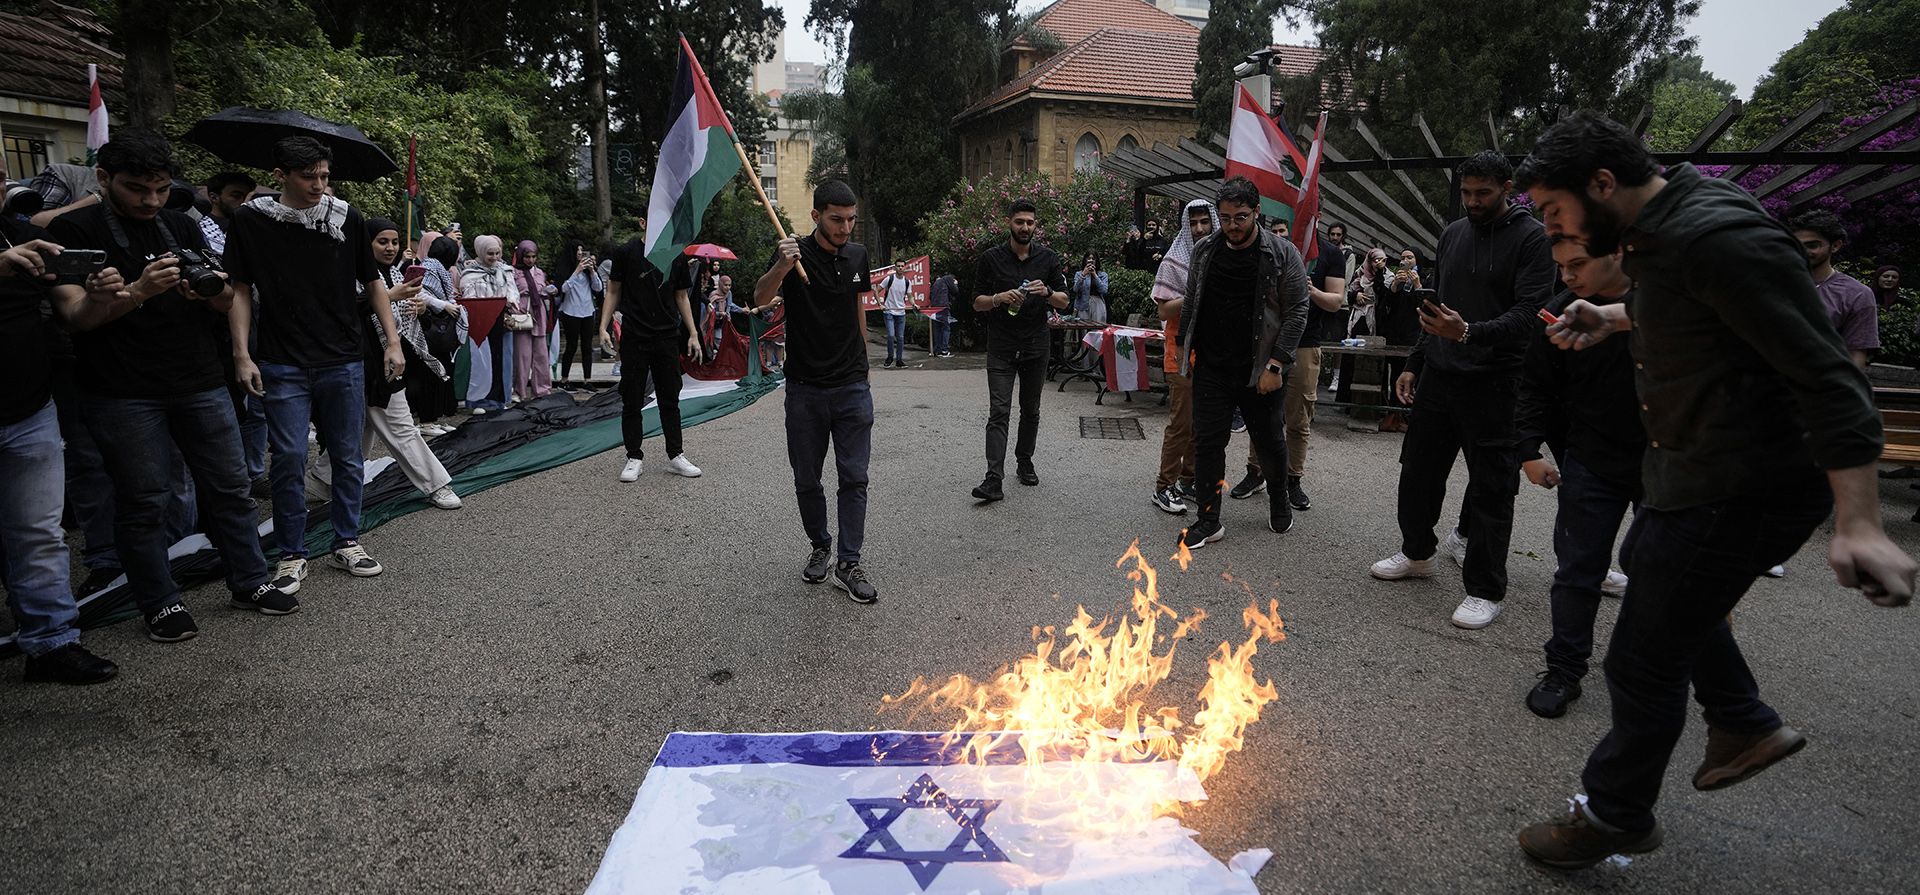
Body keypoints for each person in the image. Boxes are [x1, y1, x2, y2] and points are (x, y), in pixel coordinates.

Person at [1512, 110, 1916, 868]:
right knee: (1664, 588)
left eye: (1555, 214)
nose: (1552, 232)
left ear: (1603, 183)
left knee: (1640, 657)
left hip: (1740, 483)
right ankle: (1742, 717)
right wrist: (1612, 315)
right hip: (1693, 472)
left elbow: (1830, 378)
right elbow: (1692, 305)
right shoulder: (1662, 226)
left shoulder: (1719, 235)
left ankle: (1615, 813)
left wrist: (1860, 522)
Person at [47, 131, 296, 641]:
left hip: (198, 379)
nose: (151, 200)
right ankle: (159, 602)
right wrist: (137, 291)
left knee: (230, 489)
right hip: (121, 390)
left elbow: (228, 300)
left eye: (160, 189)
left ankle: (249, 580)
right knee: (144, 500)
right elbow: (73, 316)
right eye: (138, 189)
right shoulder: (75, 228)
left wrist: (205, 291)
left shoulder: (180, 222)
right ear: (102, 178)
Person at [1369, 150, 1554, 631]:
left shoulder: (1533, 239)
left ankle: (1485, 590)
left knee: (1493, 489)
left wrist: (1469, 332)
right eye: (1467, 192)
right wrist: (1415, 361)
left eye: (1483, 193)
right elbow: (1436, 308)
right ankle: (1417, 553)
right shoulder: (1453, 233)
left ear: (1507, 188)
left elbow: (1530, 315)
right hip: (1440, 376)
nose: (1473, 201)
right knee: (1417, 472)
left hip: (1496, 383)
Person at [227, 135, 405, 595]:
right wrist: (242, 354)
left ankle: (347, 539)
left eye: (325, 176)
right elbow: (240, 290)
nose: (319, 185)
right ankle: (291, 553)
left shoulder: (345, 216)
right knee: (287, 457)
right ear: (280, 176)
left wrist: (392, 342)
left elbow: (373, 281)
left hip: (343, 356)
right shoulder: (251, 220)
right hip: (280, 357)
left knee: (348, 454)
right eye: (309, 177)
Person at [1514, 236, 1644, 720]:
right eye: (1560, 266)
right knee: (1577, 570)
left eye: (1577, 264)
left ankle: (1649, 666)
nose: (1566, 276)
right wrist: (1528, 450)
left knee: (1661, 568)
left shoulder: (1671, 301)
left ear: (1619, 253)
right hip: (1590, 458)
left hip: (1668, 461)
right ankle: (1564, 669)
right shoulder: (1558, 311)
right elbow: (1534, 385)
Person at [1, 199, 121, 682]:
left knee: (38, 535)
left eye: (1, 176)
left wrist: (97, 294)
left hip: (29, 408)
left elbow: (73, 316)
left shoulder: (16, 233)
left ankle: (52, 643)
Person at [750, 180, 880, 604]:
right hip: (804, 389)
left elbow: (858, 306)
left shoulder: (858, 254)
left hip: (851, 387)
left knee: (854, 477)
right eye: (836, 219)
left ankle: (849, 561)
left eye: (851, 219)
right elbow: (760, 296)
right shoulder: (793, 253)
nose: (845, 228)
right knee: (807, 479)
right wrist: (783, 266)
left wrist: (864, 365)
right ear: (816, 216)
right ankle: (820, 546)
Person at [1174, 177, 1310, 548]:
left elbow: (1298, 311)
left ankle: (1280, 500)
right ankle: (1208, 519)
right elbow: (1191, 300)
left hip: (1260, 369)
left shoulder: (1282, 253)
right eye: (1227, 217)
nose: (1233, 225)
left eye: (1241, 217)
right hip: (1213, 368)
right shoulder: (1205, 250)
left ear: (1257, 212)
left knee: (1268, 441)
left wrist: (1277, 365)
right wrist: (1180, 346)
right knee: (1207, 443)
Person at [306, 218, 462, 511]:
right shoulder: (346, 270)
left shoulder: (392, 273)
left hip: (386, 362)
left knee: (362, 427)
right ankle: (436, 484)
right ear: (365, 243)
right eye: (382, 242)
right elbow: (343, 310)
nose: (390, 248)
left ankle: (322, 479)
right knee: (395, 427)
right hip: (356, 362)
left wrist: (419, 307)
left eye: (393, 242)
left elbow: (397, 318)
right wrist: (389, 297)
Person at [1229, 221, 1346, 511]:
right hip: (1265, 343)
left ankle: (1293, 479)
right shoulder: (1264, 247)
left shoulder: (1330, 253)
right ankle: (1256, 472)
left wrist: (1310, 291)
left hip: (1306, 343)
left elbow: (1336, 300)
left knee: (1298, 416)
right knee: (1260, 414)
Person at [968, 199, 1069, 502]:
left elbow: (1066, 301)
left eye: (1030, 222)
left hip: (1036, 346)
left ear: (1035, 226)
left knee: (1031, 410)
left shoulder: (1048, 259)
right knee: (999, 412)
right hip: (1001, 346)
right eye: (1019, 222)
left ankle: (1024, 462)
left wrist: (1048, 292)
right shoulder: (991, 259)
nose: (1025, 227)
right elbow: (975, 302)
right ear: (1008, 223)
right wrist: (998, 298)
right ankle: (993, 479)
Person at [598, 220, 703, 482]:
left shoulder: (675, 254)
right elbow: (613, 290)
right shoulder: (626, 252)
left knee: (670, 397)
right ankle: (634, 456)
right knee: (632, 397)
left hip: (667, 335)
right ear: (644, 221)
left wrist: (693, 333)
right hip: (635, 335)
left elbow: (681, 297)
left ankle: (676, 454)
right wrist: (603, 326)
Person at [1150, 199, 1217, 515]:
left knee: (1201, 423)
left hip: (1212, 352)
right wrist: (1195, 295)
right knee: (1181, 422)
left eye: (1205, 221)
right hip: (1179, 351)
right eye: (1194, 223)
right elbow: (1163, 309)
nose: (1200, 228)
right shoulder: (1173, 262)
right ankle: (1164, 487)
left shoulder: (1219, 257)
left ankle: (1188, 480)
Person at [1791, 210, 1878, 370]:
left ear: (1836, 245)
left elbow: (1856, 353)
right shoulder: (1774, 284)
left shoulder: (1856, 294)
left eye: (1812, 245)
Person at [408, 234, 464, 429]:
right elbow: (421, 292)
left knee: (440, 372)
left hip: (438, 327)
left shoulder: (440, 270)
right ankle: (427, 420)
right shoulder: (429, 268)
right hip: (428, 327)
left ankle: (435, 418)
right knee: (428, 374)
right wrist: (445, 305)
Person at [459, 236, 518, 412]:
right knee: (481, 361)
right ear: (481, 252)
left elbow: (512, 290)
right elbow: (468, 295)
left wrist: (511, 300)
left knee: (499, 360)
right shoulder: (470, 273)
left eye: (497, 253)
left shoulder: (505, 270)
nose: (493, 257)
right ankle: (478, 401)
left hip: (499, 320)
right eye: (490, 254)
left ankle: (498, 399)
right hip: (479, 321)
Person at [510, 240, 556, 400]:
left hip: (538, 312)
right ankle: (519, 391)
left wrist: (548, 291)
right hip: (521, 312)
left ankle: (542, 390)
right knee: (522, 356)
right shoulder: (513, 272)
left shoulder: (539, 272)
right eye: (527, 256)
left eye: (533, 256)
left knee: (541, 355)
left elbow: (541, 289)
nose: (530, 260)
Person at [556, 241, 603, 382]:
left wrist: (592, 271)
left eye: (582, 250)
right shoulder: (567, 269)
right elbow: (563, 288)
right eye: (577, 250)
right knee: (571, 346)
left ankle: (587, 380)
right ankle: (564, 379)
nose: (580, 252)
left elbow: (598, 288)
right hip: (571, 311)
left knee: (587, 347)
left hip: (588, 311)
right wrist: (577, 271)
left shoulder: (588, 272)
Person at [197, 171, 255, 254]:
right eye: (236, 196)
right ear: (214, 197)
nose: (244, 202)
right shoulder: (200, 228)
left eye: (248, 197)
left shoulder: (251, 225)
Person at [875, 260, 911, 368]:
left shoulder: (907, 282)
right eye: (898, 266)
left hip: (901, 313)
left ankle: (899, 360)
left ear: (904, 268)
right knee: (891, 335)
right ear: (895, 268)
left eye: (902, 266)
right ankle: (890, 357)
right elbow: (876, 290)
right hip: (889, 311)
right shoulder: (889, 279)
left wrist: (914, 303)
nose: (900, 268)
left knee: (900, 337)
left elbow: (910, 296)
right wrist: (880, 304)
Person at [1073, 253, 1110, 323]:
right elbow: (1075, 289)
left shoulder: (1103, 275)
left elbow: (1104, 290)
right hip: (1083, 305)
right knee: (1083, 329)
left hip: (1098, 305)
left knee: (1097, 329)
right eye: (1088, 258)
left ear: (1096, 261)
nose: (1091, 260)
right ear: (1085, 260)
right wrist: (1083, 274)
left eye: (1093, 258)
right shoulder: (1078, 274)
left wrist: (1095, 275)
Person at [928, 267, 956, 357]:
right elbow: (955, 291)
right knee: (946, 328)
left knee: (937, 328)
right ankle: (944, 350)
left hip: (934, 307)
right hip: (943, 306)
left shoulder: (937, 282)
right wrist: (955, 284)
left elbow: (930, 295)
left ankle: (938, 350)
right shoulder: (949, 279)